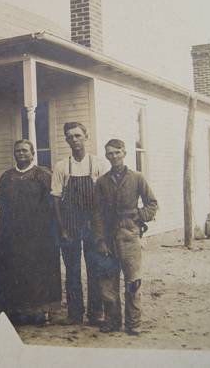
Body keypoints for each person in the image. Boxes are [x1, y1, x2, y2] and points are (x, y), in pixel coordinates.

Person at [92, 138, 158, 336]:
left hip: (129, 234)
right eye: (110, 153)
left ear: (124, 153)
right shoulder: (102, 181)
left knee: (133, 281)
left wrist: (139, 216)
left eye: (117, 152)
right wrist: (100, 240)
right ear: (106, 156)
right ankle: (112, 321)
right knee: (107, 281)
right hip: (108, 234)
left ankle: (133, 323)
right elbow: (96, 213)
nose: (113, 157)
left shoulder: (137, 178)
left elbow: (152, 204)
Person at [0, 140, 61, 325]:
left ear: (33, 153)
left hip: (38, 234)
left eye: (25, 150)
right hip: (12, 232)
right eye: (17, 151)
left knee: (38, 270)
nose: (21, 154)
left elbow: (51, 204)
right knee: (14, 269)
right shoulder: (7, 176)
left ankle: (41, 312)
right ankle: (17, 310)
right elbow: (0, 202)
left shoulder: (43, 175)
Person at [51, 122, 109, 325]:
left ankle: (96, 312)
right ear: (66, 140)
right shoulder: (61, 166)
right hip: (70, 224)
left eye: (77, 135)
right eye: (70, 136)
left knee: (94, 268)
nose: (74, 140)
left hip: (93, 224)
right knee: (72, 270)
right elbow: (56, 199)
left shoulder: (99, 164)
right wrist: (63, 228)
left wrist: (102, 229)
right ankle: (74, 313)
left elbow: (106, 198)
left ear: (86, 136)